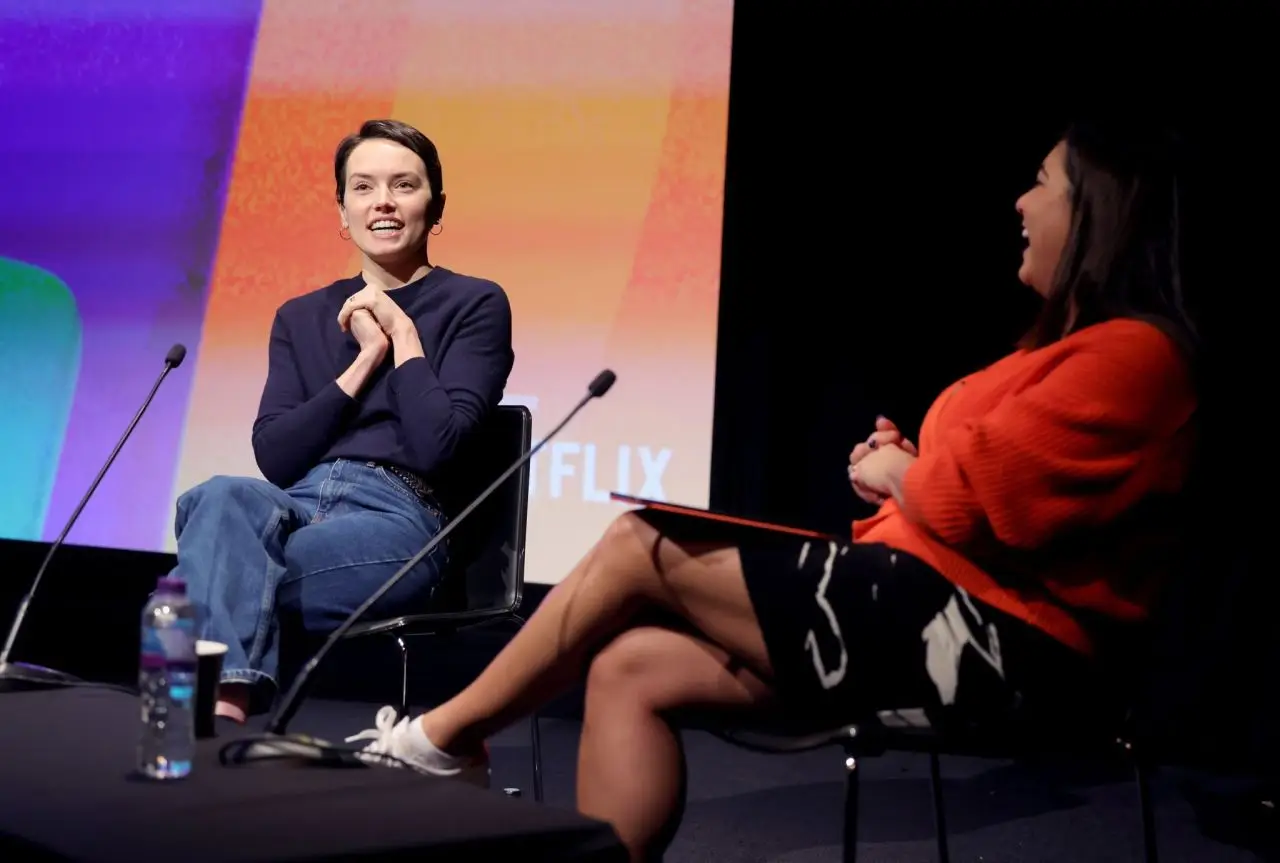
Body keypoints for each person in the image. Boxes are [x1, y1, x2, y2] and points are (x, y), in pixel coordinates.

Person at [345, 120, 1199, 861]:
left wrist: (905, 474)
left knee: (644, 539)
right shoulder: (1053, 352)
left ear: (1100, 206)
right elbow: (978, 491)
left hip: (1006, 643)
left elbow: (976, 502)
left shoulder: (1134, 356)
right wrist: (909, 473)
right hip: (928, 608)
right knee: (631, 665)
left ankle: (443, 736)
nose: (1020, 201)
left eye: (1043, 182)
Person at [172, 119, 514, 723]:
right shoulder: (300, 316)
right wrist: (364, 362)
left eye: (403, 185)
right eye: (363, 187)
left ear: (434, 206)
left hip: (398, 519)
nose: (382, 200)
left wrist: (403, 335)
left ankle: (220, 715)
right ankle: (226, 712)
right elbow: (276, 456)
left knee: (183, 594)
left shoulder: (475, 303)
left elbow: (442, 445)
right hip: (295, 504)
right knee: (220, 497)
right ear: (342, 209)